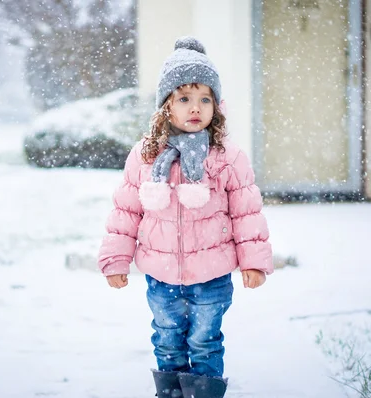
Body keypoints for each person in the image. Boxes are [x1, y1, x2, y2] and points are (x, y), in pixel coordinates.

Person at [98, 36, 273, 398]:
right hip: (161, 276)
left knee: (205, 342)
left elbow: (246, 213)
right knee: (166, 340)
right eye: (184, 98)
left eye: (205, 98)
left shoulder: (226, 157)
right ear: (166, 107)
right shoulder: (145, 157)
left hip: (212, 276)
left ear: (216, 106)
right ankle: (172, 393)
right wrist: (116, 258)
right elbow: (126, 210)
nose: (196, 107)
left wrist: (253, 262)